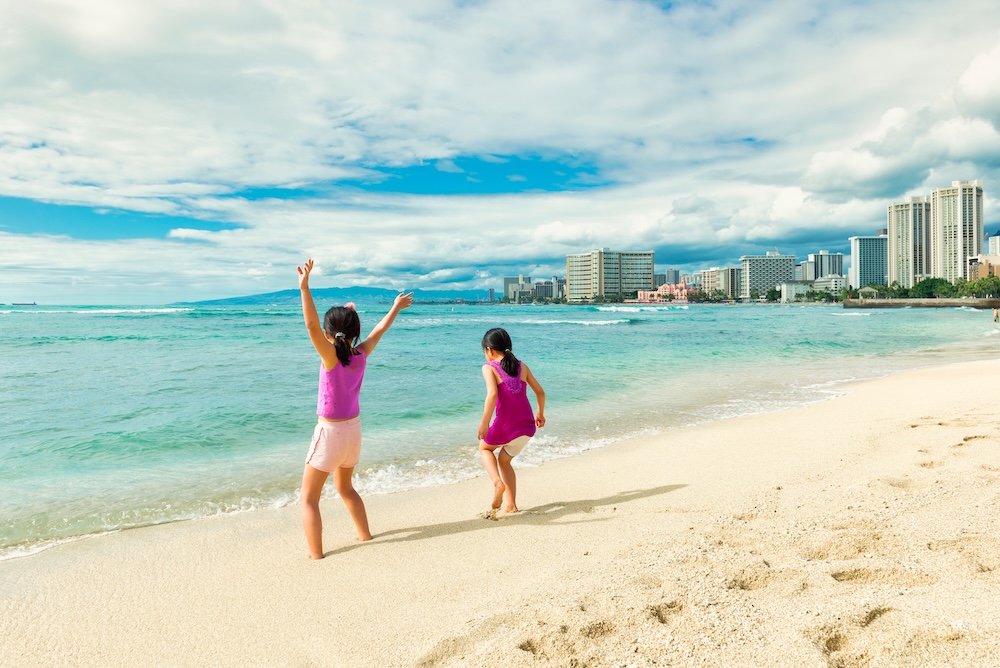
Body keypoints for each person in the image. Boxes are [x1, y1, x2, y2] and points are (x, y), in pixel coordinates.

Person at [297, 258, 413, 559]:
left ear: (327, 334)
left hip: (331, 433)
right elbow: (379, 331)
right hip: (353, 432)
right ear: (354, 333)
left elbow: (310, 325)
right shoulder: (361, 353)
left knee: (308, 498)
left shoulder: (330, 357)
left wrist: (305, 287)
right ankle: (364, 535)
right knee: (346, 488)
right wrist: (395, 308)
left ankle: (316, 555)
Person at [477, 327, 545, 514]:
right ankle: (511, 505)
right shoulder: (522, 366)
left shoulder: (488, 367)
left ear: (489, 350)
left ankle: (497, 483)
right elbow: (540, 392)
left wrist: (484, 422)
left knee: (484, 448)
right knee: (505, 460)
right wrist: (540, 414)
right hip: (527, 427)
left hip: (506, 426)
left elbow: (492, 395)